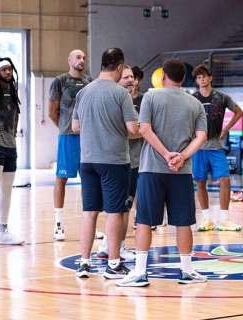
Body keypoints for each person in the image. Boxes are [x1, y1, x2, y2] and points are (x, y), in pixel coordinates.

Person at [117, 59, 208, 287]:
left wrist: (167, 154)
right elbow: (201, 136)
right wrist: (181, 156)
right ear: (184, 78)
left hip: (151, 169)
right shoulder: (195, 103)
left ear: (163, 75)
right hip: (182, 171)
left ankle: (139, 272)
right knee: (183, 222)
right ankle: (187, 271)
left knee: (145, 221)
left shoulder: (150, 96)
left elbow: (144, 129)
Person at [72, 48, 139, 279]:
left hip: (87, 160)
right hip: (113, 160)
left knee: (89, 213)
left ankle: (83, 262)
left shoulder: (84, 92)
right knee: (114, 213)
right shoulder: (121, 94)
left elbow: (75, 127)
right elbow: (132, 129)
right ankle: (113, 264)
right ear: (119, 67)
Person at [191, 64, 243, 232]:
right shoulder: (193, 98)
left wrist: (226, 129)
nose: (201, 80)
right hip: (198, 147)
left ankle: (224, 219)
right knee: (200, 182)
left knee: (225, 180)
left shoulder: (221, 97)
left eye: (204, 76)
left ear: (210, 77)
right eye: (198, 78)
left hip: (216, 146)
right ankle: (206, 219)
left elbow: (239, 111)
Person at [48, 49, 93, 241]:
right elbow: (52, 111)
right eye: (78, 57)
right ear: (69, 60)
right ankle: (58, 225)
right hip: (67, 137)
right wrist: (66, 128)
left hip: (88, 138)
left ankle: (89, 224)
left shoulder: (89, 82)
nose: (81, 60)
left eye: (83, 57)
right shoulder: (59, 81)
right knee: (62, 179)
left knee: (89, 180)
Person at [96, 65, 139, 261]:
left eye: (133, 77)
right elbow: (128, 132)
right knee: (119, 208)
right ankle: (116, 247)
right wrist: (146, 129)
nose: (131, 80)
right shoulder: (116, 101)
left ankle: (109, 245)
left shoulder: (138, 101)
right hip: (119, 162)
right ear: (117, 80)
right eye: (126, 77)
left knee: (123, 208)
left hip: (134, 162)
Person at [0, 57, 24, 248]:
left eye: (10, 69)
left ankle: (2, 231)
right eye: (4, 70)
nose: (8, 72)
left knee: (7, 191)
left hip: (11, 145)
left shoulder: (13, 89)